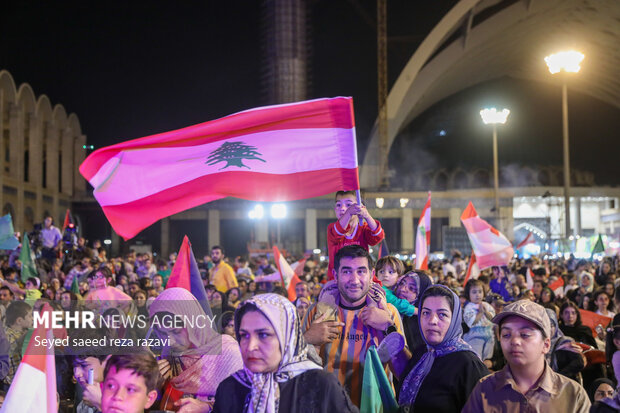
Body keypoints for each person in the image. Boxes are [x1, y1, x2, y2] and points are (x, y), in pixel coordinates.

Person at [213, 293, 358, 413]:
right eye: (244, 335)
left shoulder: (320, 384)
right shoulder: (230, 387)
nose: (250, 346)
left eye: (263, 335)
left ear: (288, 338)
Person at [303, 245, 404, 407]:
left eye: (361, 271)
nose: (355, 280)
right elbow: (295, 372)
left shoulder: (388, 313)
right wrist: (308, 339)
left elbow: (402, 373)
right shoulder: (316, 312)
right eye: (347, 271)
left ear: (371, 275)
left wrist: (387, 328)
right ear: (335, 275)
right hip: (326, 407)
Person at [462, 300, 590, 412]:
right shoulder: (485, 389)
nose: (514, 341)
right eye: (506, 334)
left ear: (546, 344)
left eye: (525, 335)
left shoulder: (573, 395)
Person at [149, 287, 243, 412]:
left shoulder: (229, 354)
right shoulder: (169, 352)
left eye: (175, 331)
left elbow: (242, 404)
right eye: (163, 333)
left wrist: (208, 407)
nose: (170, 341)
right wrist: (153, 384)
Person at [398, 285, 489, 412]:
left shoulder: (469, 366)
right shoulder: (422, 353)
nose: (432, 320)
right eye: (426, 313)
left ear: (455, 319)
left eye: (442, 314)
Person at [326, 191, 384, 278]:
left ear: (360, 207)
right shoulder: (332, 228)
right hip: (337, 281)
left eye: (348, 205)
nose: (342, 208)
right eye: (338, 205)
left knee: (379, 291)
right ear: (335, 209)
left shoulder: (363, 228)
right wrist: (349, 213)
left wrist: (367, 216)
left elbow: (378, 236)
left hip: (362, 280)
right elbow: (337, 233)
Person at [545, 308, 585, 382]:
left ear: (556, 326)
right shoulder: (537, 343)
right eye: (545, 326)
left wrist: (559, 377)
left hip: (563, 384)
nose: (548, 329)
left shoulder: (565, 342)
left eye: (551, 325)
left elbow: (579, 362)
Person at [462, 279, 496, 360]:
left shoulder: (486, 305)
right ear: (468, 294)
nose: (478, 295)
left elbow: (492, 318)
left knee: (488, 355)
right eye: (474, 292)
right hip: (476, 334)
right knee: (476, 356)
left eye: (480, 291)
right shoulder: (469, 307)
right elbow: (471, 322)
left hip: (489, 333)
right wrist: (480, 313)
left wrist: (486, 312)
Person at [400, 271, 433, 353]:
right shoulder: (388, 306)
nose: (402, 289)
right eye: (402, 283)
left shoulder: (424, 323)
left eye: (411, 288)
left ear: (421, 293)